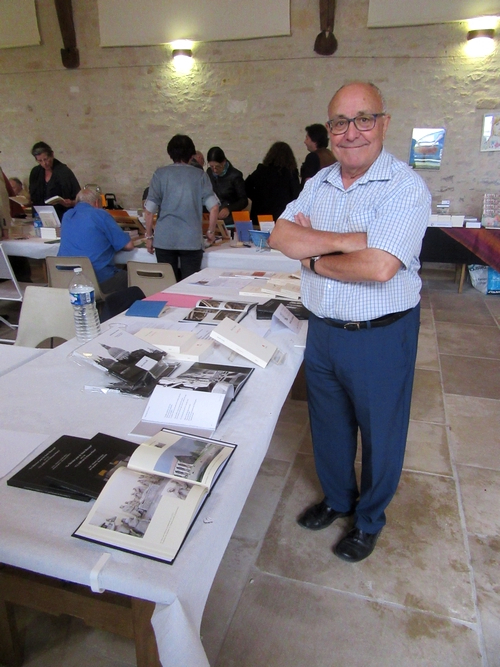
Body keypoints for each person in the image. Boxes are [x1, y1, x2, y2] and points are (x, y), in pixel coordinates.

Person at [269, 82, 431, 563]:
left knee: (381, 434)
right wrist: (352, 240)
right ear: (329, 130)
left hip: (379, 335)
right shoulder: (316, 183)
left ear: (384, 123)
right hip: (322, 331)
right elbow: (280, 235)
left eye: (364, 119)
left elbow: (380, 267)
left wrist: (315, 256)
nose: (351, 132)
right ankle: (338, 499)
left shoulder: (404, 186)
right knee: (329, 426)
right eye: (340, 122)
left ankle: (368, 519)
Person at [144, 134, 219, 281]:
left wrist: (149, 236)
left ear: (170, 153)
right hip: (191, 240)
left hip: (164, 239)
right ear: (192, 155)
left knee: (167, 285)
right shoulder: (200, 175)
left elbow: (149, 210)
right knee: (189, 285)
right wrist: (210, 231)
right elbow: (214, 208)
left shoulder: (160, 174)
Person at [58, 188, 134, 293]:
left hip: (65, 280)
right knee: (131, 277)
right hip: (95, 281)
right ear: (97, 203)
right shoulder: (100, 214)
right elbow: (128, 246)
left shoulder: (66, 216)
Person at [244, 141, 300, 225]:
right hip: (282, 217)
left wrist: (256, 197)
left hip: (260, 215)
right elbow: (296, 196)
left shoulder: (261, 170)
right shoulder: (291, 173)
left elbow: (246, 187)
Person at [29, 141, 80, 220]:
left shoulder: (64, 172)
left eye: (46, 159)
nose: (44, 163)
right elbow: (33, 196)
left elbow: (78, 197)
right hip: (40, 216)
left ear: (52, 155)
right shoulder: (35, 172)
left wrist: (71, 202)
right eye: (40, 161)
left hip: (62, 216)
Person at [206, 147, 247, 224]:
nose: (214, 170)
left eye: (217, 166)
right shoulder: (209, 173)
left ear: (223, 162)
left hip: (231, 218)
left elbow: (244, 201)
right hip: (214, 215)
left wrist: (229, 209)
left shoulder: (235, 176)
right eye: (211, 166)